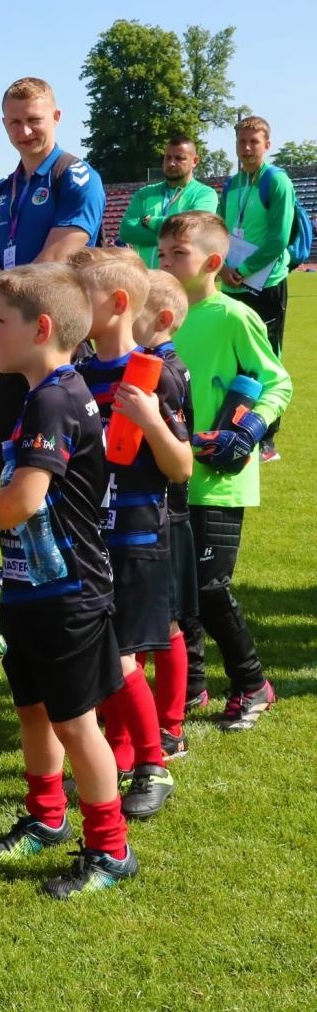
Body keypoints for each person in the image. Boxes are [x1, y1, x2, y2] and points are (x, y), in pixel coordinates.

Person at [0, 264, 136, 900]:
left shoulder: (55, 398)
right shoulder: (41, 392)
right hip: (30, 586)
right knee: (35, 712)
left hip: (70, 594)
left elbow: (21, 501)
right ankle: (46, 817)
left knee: (75, 724)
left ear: (41, 329)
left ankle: (110, 849)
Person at [156, 211, 292, 731]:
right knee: (178, 589)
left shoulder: (234, 316)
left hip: (219, 479)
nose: (166, 262)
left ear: (213, 262)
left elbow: (276, 381)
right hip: (170, 474)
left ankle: (253, 683)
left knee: (210, 587)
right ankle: (191, 684)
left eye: (178, 254)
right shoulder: (161, 318)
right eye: (162, 254)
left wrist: (249, 428)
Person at [69, 249, 191, 819]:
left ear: (117, 304)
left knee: (121, 660)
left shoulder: (152, 373)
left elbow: (181, 468)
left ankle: (153, 764)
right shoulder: (75, 373)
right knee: (106, 659)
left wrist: (149, 421)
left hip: (138, 539)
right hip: (87, 542)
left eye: (81, 296)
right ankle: (119, 750)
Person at [0, 78, 105, 471]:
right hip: (4, 344)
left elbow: (50, 264)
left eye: (34, 120)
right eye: (14, 122)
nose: (25, 131)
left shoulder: (77, 177)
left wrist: (1, 297)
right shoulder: (0, 191)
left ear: (56, 116)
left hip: (55, 343)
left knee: (59, 464)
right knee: (6, 460)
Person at [132, 270, 194, 757]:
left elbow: (175, 452)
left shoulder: (162, 372)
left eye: (135, 309)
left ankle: (171, 726)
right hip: (147, 514)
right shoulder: (148, 363)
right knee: (138, 624)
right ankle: (134, 717)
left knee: (167, 624)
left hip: (164, 516)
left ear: (162, 319)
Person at [217, 115, 297, 463]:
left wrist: (244, 269)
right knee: (235, 357)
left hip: (266, 283)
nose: (247, 148)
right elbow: (220, 230)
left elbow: (279, 238)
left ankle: (267, 440)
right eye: (242, 142)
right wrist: (223, 266)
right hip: (232, 282)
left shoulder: (276, 181)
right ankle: (234, 427)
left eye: (254, 142)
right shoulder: (231, 184)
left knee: (266, 359)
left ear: (267, 144)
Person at [117, 135, 218, 269]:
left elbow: (192, 230)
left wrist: (152, 222)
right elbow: (127, 231)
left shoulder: (204, 194)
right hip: (146, 278)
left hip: (182, 280)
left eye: (179, 158)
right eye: (167, 158)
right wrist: (173, 238)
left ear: (194, 161)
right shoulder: (144, 193)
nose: (171, 163)